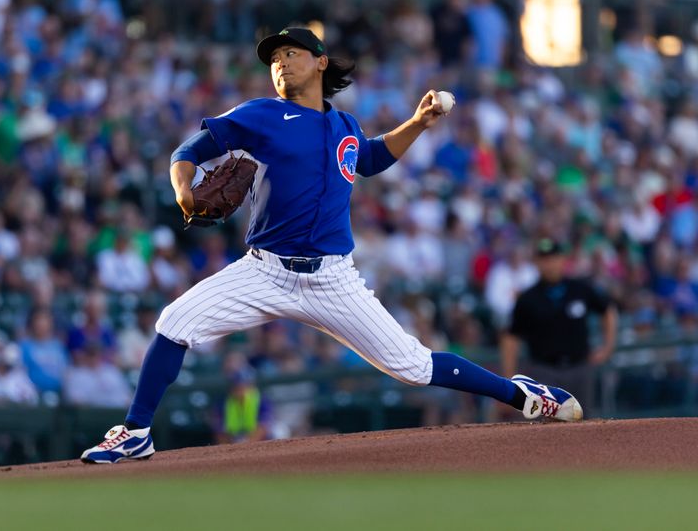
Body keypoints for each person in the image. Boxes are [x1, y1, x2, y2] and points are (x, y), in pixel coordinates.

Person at [81, 27, 583, 464]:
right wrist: (183, 187)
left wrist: (418, 123)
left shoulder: (343, 124)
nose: (279, 62)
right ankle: (137, 432)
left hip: (332, 278)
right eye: (274, 58)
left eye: (290, 53)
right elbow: (188, 150)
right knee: (174, 323)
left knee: (412, 366)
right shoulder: (260, 115)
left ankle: (522, 395)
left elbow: (368, 159)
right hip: (265, 271)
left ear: (320, 61)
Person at [500, 239, 618, 417]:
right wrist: (509, 379)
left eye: (553, 258)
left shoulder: (579, 289)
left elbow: (607, 310)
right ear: (537, 263)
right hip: (544, 372)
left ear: (563, 260)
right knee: (545, 429)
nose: (549, 264)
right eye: (544, 259)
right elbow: (510, 337)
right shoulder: (528, 299)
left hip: (580, 368)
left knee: (585, 425)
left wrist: (608, 347)